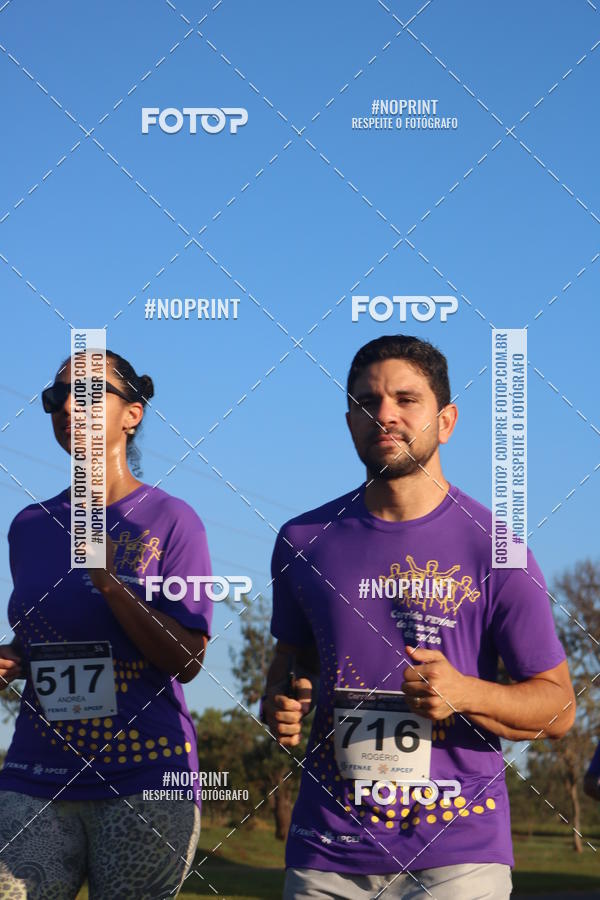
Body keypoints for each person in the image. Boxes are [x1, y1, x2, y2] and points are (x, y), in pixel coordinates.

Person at [263, 335, 576, 900]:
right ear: (349, 420)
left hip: (457, 857)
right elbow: (292, 663)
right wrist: (282, 700)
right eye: (367, 401)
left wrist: (466, 692)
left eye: (406, 399)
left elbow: (557, 708)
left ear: (446, 420)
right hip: (326, 850)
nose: (384, 414)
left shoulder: (497, 551)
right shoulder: (302, 541)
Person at [0, 349, 213, 899]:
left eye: (91, 394)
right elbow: (43, 642)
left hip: (143, 777)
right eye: (57, 397)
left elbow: (188, 660)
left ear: (132, 412)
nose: (70, 406)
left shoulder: (172, 520)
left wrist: (113, 586)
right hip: (34, 773)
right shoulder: (29, 527)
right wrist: (12, 660)